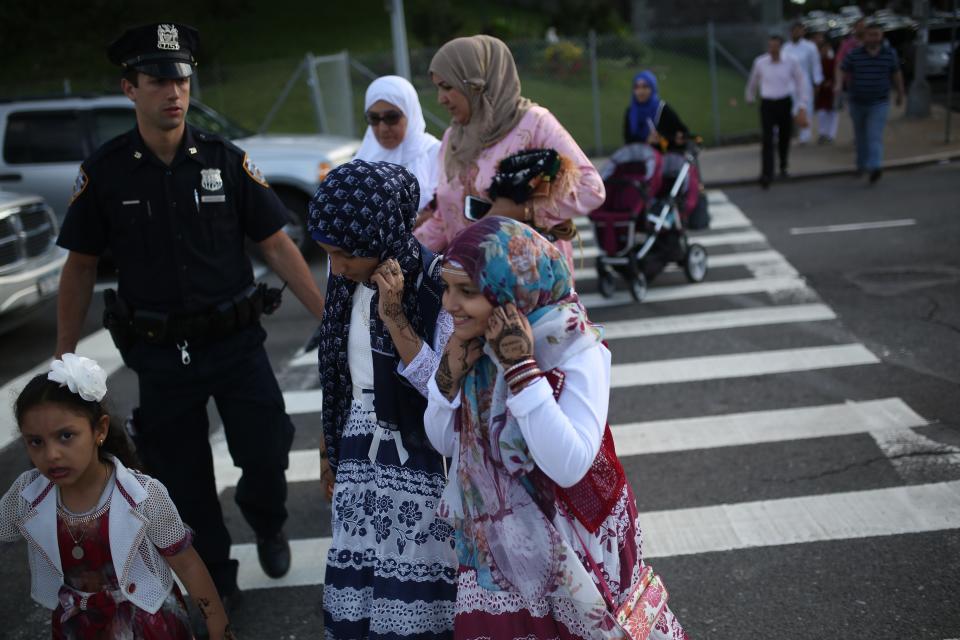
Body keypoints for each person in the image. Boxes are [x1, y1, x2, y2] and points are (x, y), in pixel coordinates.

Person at [54, 23, 327, 603]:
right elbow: (79, 266)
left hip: (236, 344)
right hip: (158, 354)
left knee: (266, 449)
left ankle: (268, 518)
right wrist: (64, 354)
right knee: (183, 480)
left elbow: (277, 243)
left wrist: (328, 315)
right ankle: (218, 589)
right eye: (157, 80)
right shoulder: (105, 174)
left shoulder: (225, 161)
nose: (174, 92)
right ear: (130, 88)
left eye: (180, 78)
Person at [423, 216, 689, 640]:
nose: (449, 304)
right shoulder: (474, 344)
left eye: (467, 291)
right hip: (498, 544)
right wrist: (446, 381)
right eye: (447, 288)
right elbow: (442, 442)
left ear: (511, 289)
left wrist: (521, 372)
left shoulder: (576, 346)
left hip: (572, 537)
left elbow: (568, 465)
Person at [307, 159, 458, 639]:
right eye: (327, 253)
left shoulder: (437, 285)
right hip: (359, 448)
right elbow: (338, 377)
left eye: (342, 254)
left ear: (376, 237)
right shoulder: (345, 285)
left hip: (420, 456)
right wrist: (329, 446)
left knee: (415, 586)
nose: (335, 266)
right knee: (362, 580)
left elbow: (445, 391)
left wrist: (395, 319)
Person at [0, 354, 235, 639]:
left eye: (66, 436)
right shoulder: (27, 496)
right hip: (77, 626)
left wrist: (218, 627)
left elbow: (186, 562)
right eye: (36, 442)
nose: (51, 455)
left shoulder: (142, 495)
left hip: (147, 622)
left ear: (99, 430)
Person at [415, 35, 605, 272]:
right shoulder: (454, 138)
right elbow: (445, 218)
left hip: (530, 280)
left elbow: (591, 188)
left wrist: (524, 210)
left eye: (447, 86)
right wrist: (401, 254)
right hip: (471, 283)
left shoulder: (534, 123)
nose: (440, 99)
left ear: (477, 83)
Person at [355, 75, 442, 212]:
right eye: (374, 118)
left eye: (392, 117)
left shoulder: (436, 153)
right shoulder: (362, 163)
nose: (383, 128)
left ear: (410, 113)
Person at [837, 22, 905, 183]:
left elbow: (896, 73)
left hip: (879, 102)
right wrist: (839, 85)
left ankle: (875, 167)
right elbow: (841, 68)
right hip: (857, 102)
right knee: (861, 137)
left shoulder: (889, 54)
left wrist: (900, 93)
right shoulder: (855, 54)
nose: (873, 38)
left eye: (877, 34)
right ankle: (861, 165)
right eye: (870, 34)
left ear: (881, 36)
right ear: (865, 36)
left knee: (874, 135)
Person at [745, 34, 810, 189]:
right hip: (768, 103)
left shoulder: (791, 62)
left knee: (784, 136)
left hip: (783, 101)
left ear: (780, 47)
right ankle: (767, 172)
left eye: (775, 46)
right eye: (770, 46)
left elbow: (801, 82)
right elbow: (753, 81)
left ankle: (783, 165)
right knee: (767, 138)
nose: (773, 49)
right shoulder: (761, 62)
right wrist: (750, 96)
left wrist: (802, 104)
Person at [622, 70, 690, 152]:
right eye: (637, 87)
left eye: (645, 87)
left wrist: (663, 138)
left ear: (653, 88)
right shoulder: (630, 112)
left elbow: (682, 133)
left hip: (664, 159)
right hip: (638, 159)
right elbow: (628, 141)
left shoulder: (662, 108)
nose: (641, 91)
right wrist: (646, 140)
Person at [782, 22, 823, 144]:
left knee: (806, 107)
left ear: (803, 32)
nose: (797, 33)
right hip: (789, 83)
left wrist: (817, 81)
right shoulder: (786, 48)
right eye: (795, 30)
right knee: (790, 108)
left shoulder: (810, 47)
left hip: (805, 81)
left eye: (800, 30)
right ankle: (786, 133)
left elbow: (815, 65)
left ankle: (805, 134)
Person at [813, 32, 838, 144]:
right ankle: (823, 133)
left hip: (832, 89)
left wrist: (832, 82)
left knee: (832, 112)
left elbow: (837, 73)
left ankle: (831, 135)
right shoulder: (817, 61)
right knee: (822, 112)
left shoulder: (834, 60)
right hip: (822, 89)